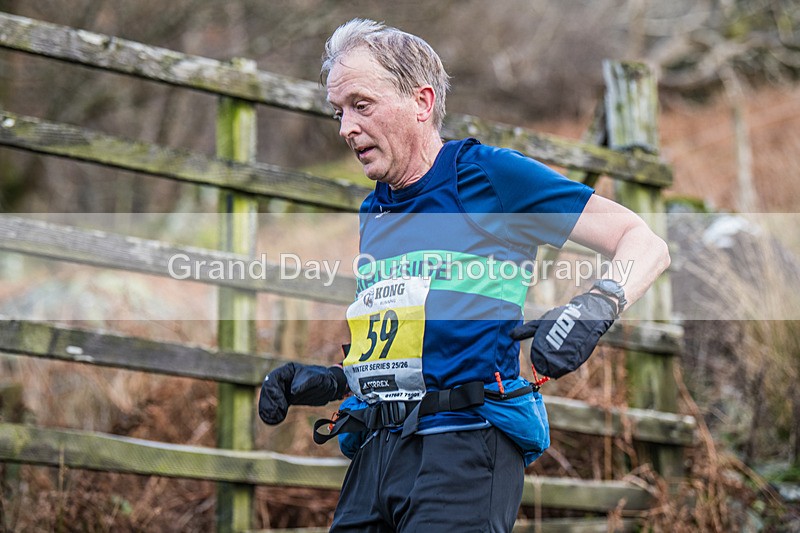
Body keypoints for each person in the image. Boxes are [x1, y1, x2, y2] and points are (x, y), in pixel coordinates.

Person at [259, 18, 670, 532]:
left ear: (422, 102)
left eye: (361, 105)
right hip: (376, 452)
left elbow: (644, 243)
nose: (345, 128)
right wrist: (337, 380)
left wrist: (598, 304)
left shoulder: (489, 178)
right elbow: (414, 349)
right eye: (338, 111)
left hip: (466, 446)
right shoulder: (375, 210)